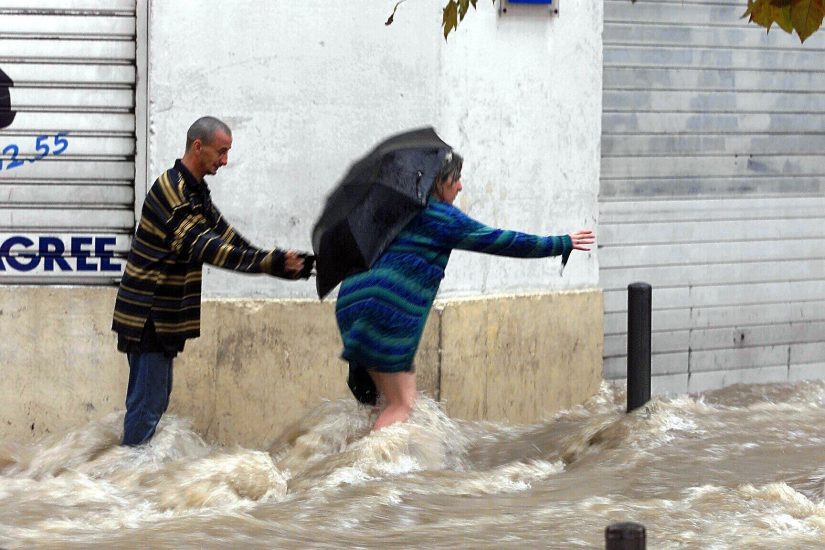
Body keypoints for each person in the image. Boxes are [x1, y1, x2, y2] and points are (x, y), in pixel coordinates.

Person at [335, 151, 594, 431]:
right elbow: (502, 241)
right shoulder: (442, 218)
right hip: (386, 310)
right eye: (455, 180)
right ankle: (368, 470)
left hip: (351, 301)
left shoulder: (396, 210)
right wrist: (560, 243)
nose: (460, 187)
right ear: (439, 182)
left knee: (383, 402)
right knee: (403, 404)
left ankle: (363, 455)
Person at [112, 116, 314, 446]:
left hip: (163, 318)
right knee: (146, 408)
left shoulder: (194, 191)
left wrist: (283, 265)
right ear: (197, 146)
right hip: (148, 317)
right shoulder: (173, 193)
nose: (225, 161)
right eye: (221, 152)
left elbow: (226, 236)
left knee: (155, 403)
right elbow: (209, 248)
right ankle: (123, 482)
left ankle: (130, 477)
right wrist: (271, 262)